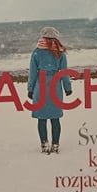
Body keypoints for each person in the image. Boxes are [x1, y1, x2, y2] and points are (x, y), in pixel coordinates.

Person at [27, 26, 72, 154]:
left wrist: (30, 89)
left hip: (40, 87)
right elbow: (64, 72)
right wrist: (67, 87)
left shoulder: (36, 52)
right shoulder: (60, 52)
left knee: (41, 118)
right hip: (55, 86)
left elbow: (32, 73)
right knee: (55, 118)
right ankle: (55, 145)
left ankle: (44, 144)